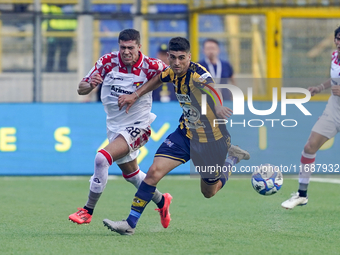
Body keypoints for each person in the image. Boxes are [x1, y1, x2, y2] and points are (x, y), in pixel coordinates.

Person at [102, 37, 250, 235]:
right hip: (185, 134)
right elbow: (158, 79)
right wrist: (135, 95)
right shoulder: (172, 71)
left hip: (211, 141)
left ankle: (232, 158)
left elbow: (213, 91)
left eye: (182, 58)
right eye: (173, 58)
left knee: (208, 192)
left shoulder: (199, 76)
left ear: (189, 56)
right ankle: (129, 224)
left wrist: (219, 106)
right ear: (169, 57)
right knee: (154, 172)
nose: (177, 63)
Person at [69, 29, 172, 228]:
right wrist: (90, 84)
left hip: (138, 126)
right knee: (132, 176)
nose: (126, 52)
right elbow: (80, 89)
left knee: (102, 158)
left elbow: (170, 76)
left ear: (139, 47)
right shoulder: (107, 62)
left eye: (130, 48)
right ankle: (162, 200)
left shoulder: (152, 66)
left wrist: (137, 94)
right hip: (115, 126)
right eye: (123, 47)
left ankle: (87, 210)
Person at [281, 26, 340, 209]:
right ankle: (302, 194)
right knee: (310, 146)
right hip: (335, 109)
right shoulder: (334, 56)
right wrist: (319, 88)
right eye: (337, 38)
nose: (339, 42)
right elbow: (335, 80)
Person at [42, 4, 76, 72]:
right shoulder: (49, 6)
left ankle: (63, 69)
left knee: (64, 52)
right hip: (53, 30)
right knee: (51, 51)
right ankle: (49, 69)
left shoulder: (71, 5)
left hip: (67, 30)